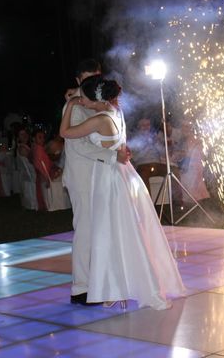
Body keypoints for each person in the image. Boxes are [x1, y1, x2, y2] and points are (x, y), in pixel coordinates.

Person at [60, 76, 185, 310]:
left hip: (107, 178)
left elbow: (65, 132)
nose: (82, 102)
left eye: (85, 99)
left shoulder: (99, 119)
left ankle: (114, 286)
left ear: (96, 99)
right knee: (123, 230)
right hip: (120, 174)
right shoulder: (116, 112)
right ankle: (118, 285)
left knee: (108, 232)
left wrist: (71, 105)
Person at [62, 59, 129, 306]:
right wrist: (113, 155)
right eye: (88, 78)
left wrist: (119, 150)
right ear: (79, 80)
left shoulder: (106, 104)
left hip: (104, 175)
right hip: (83, 177)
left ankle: (102, 283)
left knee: (103, 229)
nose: (93, 83)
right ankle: (81, 287)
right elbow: (77, 144)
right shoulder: (75, 106)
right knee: (86, 230)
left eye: (97, 77)